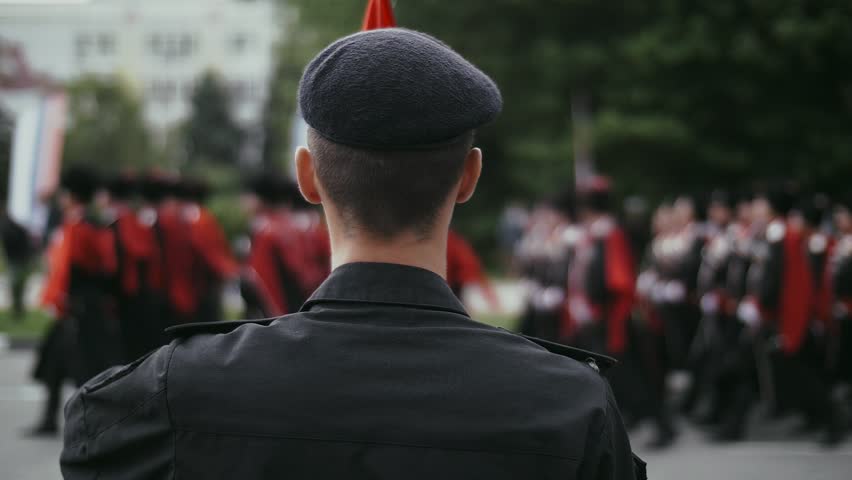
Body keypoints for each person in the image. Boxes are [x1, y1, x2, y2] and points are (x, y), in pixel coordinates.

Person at [60, 28, 644, 479]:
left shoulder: (176, 388)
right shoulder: (570, 402)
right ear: (468, 179)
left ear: (308, 178)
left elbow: (86, 443)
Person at [30, 167, 119, 436]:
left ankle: (94, 426)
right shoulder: (76, 224)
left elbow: (94, 267)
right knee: (55, 366)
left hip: (81, 308)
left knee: (84, 369)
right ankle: (50, 420)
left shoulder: (85, 227)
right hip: (71, 307)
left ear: (72, 195)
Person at [0, 204, 36, 320]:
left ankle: (17, 311)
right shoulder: (10, 223)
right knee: (17, 286)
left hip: (16, 259)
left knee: (16, 286)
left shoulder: (7, 224)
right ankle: (18, 310)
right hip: (18, 258)